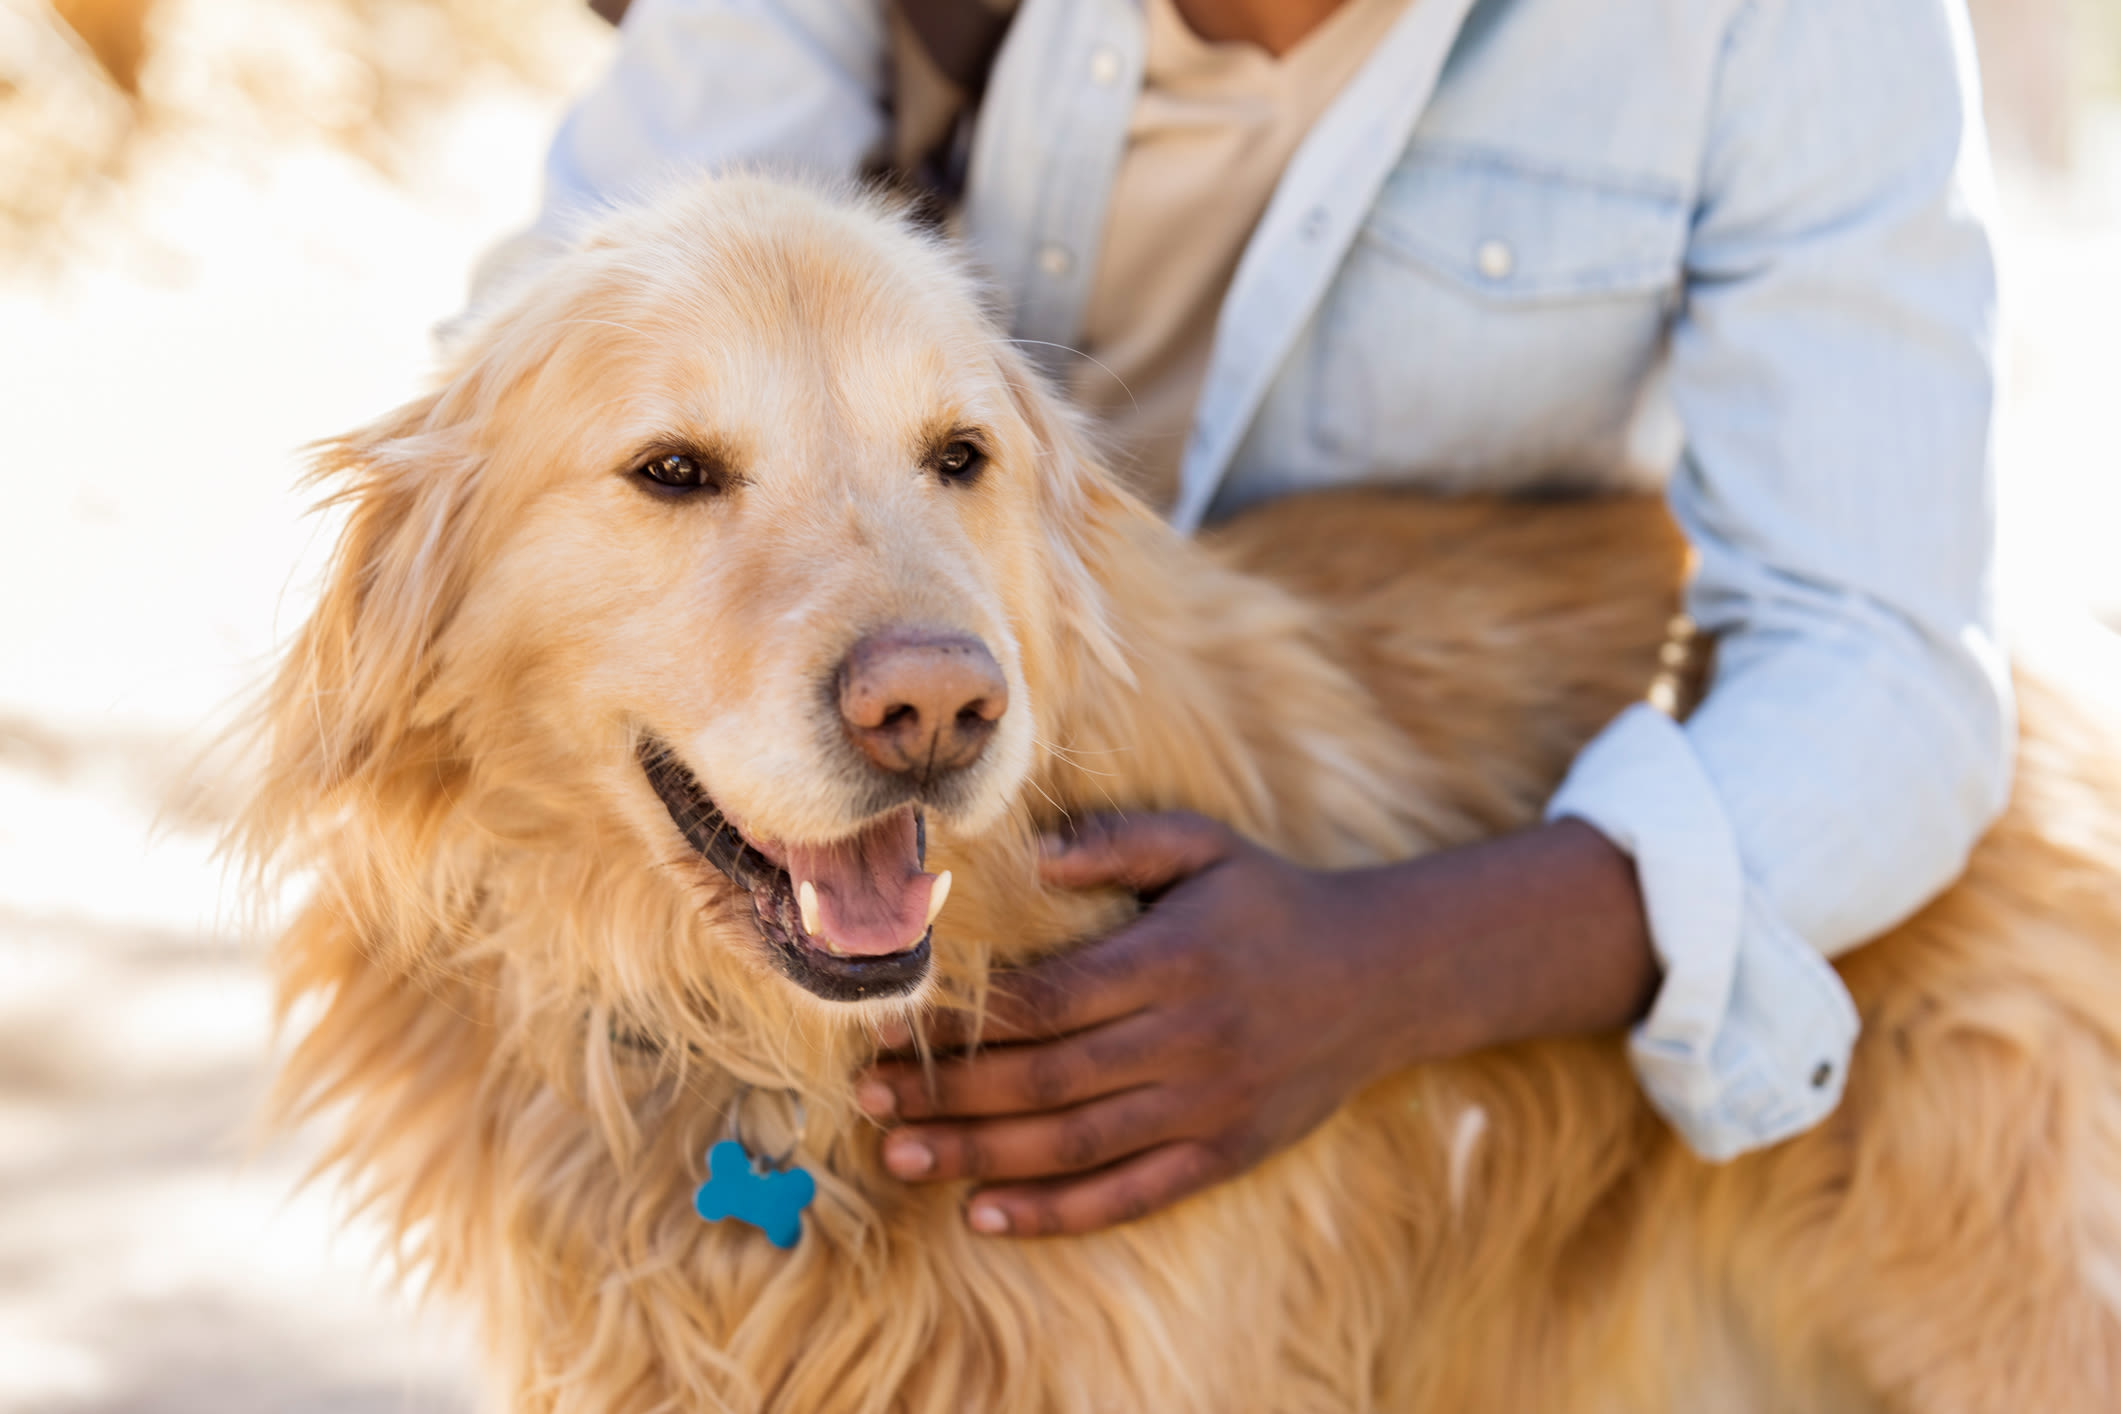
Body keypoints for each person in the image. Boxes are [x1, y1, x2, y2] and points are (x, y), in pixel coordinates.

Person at [483, 0, 2010, 1238]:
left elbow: (1878, 654)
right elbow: (539, 388)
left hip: (1443, 814)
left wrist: (1390, 969)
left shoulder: (1800, 26)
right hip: (939, 807)